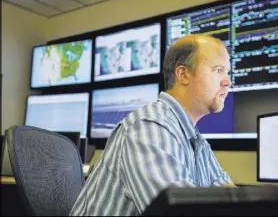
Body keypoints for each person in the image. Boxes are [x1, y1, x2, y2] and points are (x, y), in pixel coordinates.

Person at [70, 34, 235, 216]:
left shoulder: (196, 141)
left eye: (227, 72)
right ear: (183, 74)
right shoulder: (149, 128)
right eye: (218, 70)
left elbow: (230, 197)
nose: (227, 81)